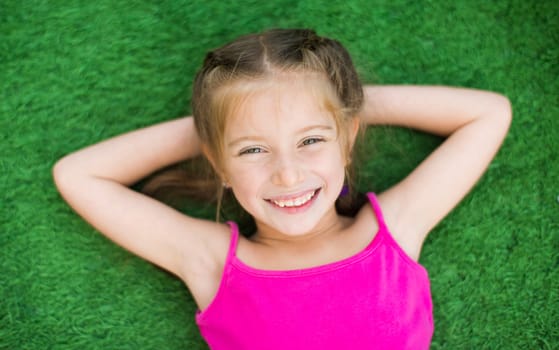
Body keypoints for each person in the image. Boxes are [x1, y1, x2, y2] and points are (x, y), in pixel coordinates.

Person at [53, 28, 511, 349]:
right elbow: (78, 175)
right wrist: (215, 125)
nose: (288, 175)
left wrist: (338, 105)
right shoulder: (213, 262)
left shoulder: (390, 231)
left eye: (311, 140)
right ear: (219, 164)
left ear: (346, 140)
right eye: (253, 150)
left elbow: (488, 113)